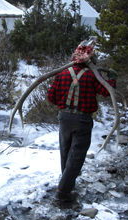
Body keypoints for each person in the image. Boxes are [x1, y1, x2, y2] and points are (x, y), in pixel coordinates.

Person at [47, 56, 116, 204]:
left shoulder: (62, 74)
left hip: (64, 118)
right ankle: (62, 192)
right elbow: (106, 91)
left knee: (65, 151)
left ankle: (67, 183)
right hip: (82, 119)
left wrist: (65, 106)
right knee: (77, 156)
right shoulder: (92, 75)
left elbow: (50, 96)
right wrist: (112, 78)